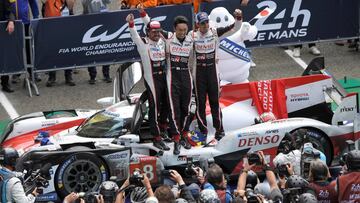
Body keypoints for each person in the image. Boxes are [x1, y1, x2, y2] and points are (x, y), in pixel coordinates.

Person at [138, 8, 194, 154]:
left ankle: (183, 135)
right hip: (171, 78)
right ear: (175, 29)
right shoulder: (168, 37)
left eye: (185, 29)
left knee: (185, 108)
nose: (182, 32)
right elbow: (151, 24)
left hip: (186, 77)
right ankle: (175, 137)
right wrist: (143, 14)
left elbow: (210, 35)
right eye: (180, 29)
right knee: (172, 108)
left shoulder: (191, 38)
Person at [190, 10, 242, 140]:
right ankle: (203, 131)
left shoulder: (214, 32)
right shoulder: (192, 36)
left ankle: (219, 130)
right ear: (197, 24)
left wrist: (239, 17)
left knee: (215, 103)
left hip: (213, 73)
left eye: (206, 22)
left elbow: (235, 28)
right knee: (200, 104)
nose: (205, 25)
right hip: (199, 75)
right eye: (202, 23)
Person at [126, 13, 170, 151]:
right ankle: (156, 138)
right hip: (152, 80)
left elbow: (150, 22)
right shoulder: (143, 43)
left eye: (158, 31)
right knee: (154, 108)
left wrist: (144, 13)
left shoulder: (163, 40)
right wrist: (131, 24)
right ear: (148, 32)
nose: (156, 34)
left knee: (167, 106)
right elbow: (134, 35)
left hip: (164, 78)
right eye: (153, 31)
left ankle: (162, 131)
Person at [43, 0, 76, 87]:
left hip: (66, 21)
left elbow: (71, 5)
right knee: (52, 50)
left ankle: (68, 75)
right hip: (50, 22)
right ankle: (52, 77)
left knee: (67, 49)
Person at [82, 0, 112, 85]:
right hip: (90, 22)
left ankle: (106, 74)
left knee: (106, 48)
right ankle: (92, 75)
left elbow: (109, 1)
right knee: (90, 50)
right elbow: (84, 4)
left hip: (104, 21)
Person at [10, 0, 40, 84]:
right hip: (11, 23)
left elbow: (33, 2)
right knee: (15, 48)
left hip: (25, 22)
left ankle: (32, 72)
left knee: (28, 48)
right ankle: (16, 72)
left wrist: (36, 16)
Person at [0, 0, 15, 93]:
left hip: (1, 31)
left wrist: (11, 21)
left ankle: (5, 83)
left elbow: (10, 12)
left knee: (3, 56)